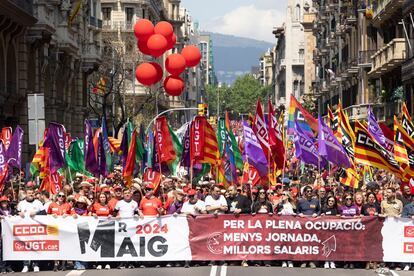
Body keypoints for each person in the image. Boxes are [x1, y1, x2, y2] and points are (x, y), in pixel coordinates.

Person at [17, 186, 45, 273]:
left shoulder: (38, 202)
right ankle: (25, 265)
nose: (31, 194)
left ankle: (35, 264)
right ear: (26, 194)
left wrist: (36, 212)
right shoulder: (21, 203)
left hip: (36, 229)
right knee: (25, 246)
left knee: (35, 246)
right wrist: (19, 213)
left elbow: (44, 213)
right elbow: (15, 213)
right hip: (25, 229)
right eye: (29, 193)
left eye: (32, 193)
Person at [296, 185, 319, 269]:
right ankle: (304, 261)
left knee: (312, 244)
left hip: (313, 226)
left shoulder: (316, 201)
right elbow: (297, 211)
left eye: (310, 191)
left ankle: (311, 261)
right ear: (305, 192)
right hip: (303, 226)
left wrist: (317, 214)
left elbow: (319, 210)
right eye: (308, 191)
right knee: (304, 244)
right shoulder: (300, 201)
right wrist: (299, 214)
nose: (309, 193)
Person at [91, 192, 112, 270]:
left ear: (106, 198)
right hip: (98, 228)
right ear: (99, 198)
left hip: (107, 228)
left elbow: (113, 213)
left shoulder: (108, 206)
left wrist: (111, 215)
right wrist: (93, 214)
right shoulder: (95, 205)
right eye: (101, 197)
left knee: (106, 246)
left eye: (104, 197)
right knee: (98, 246)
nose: (102, 198)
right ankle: (99, 263)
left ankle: (107, 263)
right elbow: (91, 212)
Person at [0, 196, 14, 273]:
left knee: (9, 251)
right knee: (2, 252)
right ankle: (2, 267)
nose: (4, 203)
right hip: (2, 235)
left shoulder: (11, 211)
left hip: (10, 235)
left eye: (5, 201)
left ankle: (9, 267)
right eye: (2, 202)